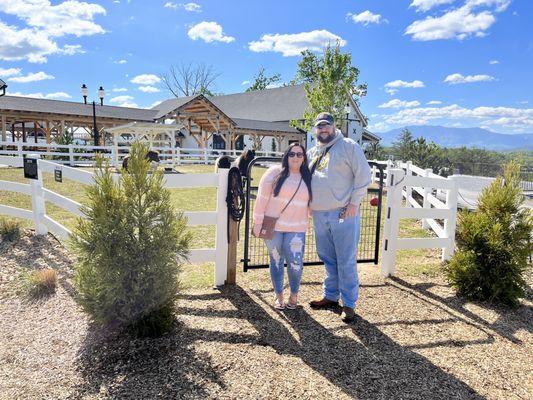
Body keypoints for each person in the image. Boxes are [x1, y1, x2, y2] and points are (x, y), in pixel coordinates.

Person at [307, 112, 371, 323]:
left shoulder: (349, 146)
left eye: (327, 125)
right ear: (315, 129)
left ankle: (349, 304)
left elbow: (364, 175)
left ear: (334, 127)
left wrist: (354, 203)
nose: (323, 129)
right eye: (319, 126)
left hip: (343, 212)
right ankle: (331, 296)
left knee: (345, 259)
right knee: (328, 257)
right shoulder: (313, 152)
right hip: (319, 213)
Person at [252, 143, 312, 310]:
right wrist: (258, 222)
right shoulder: (273, 173)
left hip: (297, 229)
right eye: (292, 154)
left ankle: (294, 295)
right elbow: (262, 198)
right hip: (274, 227)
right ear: (286, 156)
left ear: (304, 158)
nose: (295, 157)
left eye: (300, 155)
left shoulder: (308, 177)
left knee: (295, 263)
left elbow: (313, 203)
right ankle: (279, 296)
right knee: (276, 261)